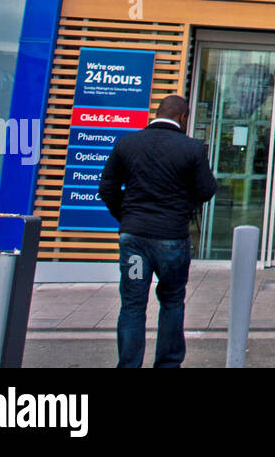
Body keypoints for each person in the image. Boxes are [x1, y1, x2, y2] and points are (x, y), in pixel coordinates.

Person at [97, 94, 217, 368]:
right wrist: (183, 209)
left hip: (134, 239)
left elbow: (107, 189)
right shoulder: (192, 148)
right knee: (172, 300)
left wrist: (126, 216)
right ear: (183, 117)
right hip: (171, 239)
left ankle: (128, 364)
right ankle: (168, 363)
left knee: (132, 303)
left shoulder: (127, 143)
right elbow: (206, 190)